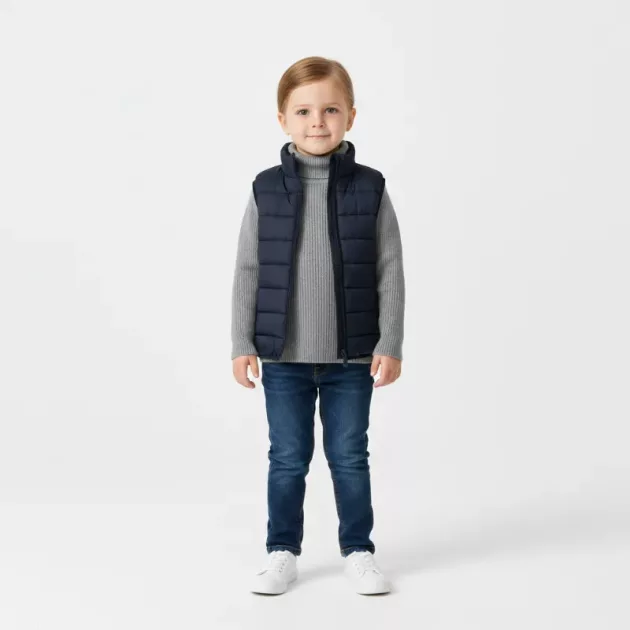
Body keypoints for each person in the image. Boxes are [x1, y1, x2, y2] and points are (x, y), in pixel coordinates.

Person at [230, 56, 405, 596]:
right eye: (303, 111)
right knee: (287, 458)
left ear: (350, 116)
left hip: (352, 357)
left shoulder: (370, 188)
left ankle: (358, 550)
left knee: (349, 457)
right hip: (282, 357)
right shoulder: (265, 189)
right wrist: (241, 342)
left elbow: (390, 267)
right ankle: (281, 550)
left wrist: (391, 341)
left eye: (330, 110)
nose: (317, 122)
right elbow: (248, 268)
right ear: (282, 118)